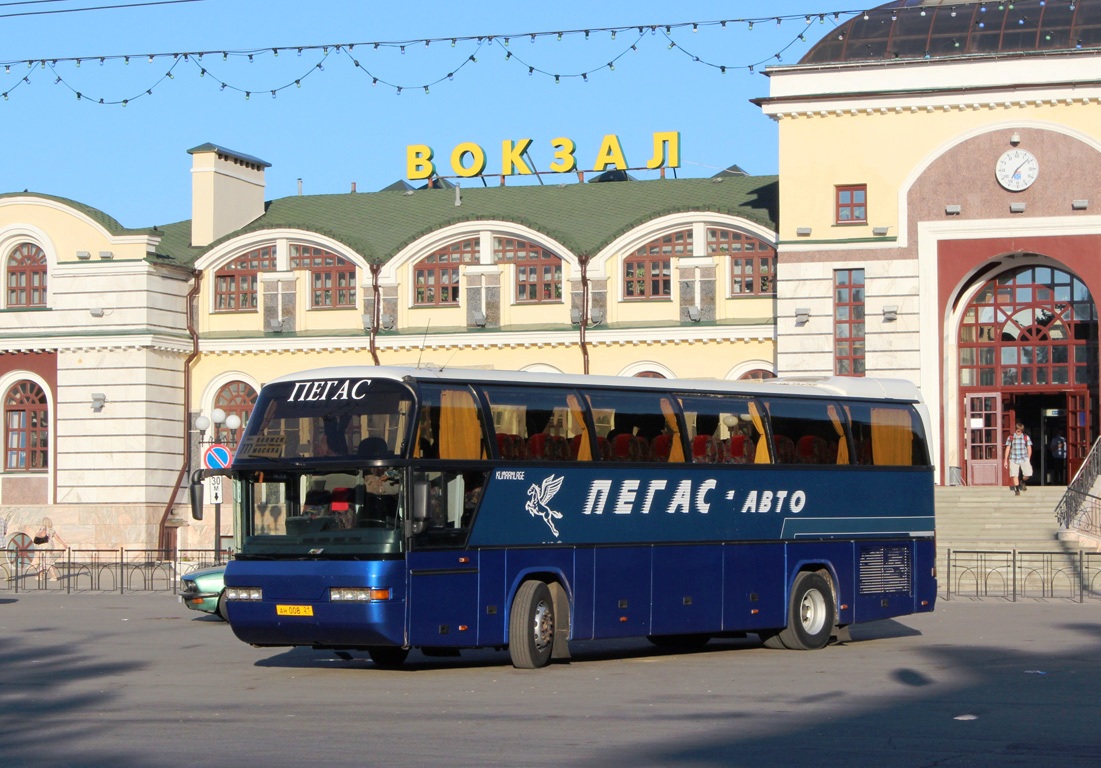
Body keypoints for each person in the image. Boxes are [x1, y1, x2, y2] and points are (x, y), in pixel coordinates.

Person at [1003, 422, 1033, 496]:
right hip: (1014, 458)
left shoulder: (1026, 437)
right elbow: (1008, 448)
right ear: (1015, 430)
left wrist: (1028, 458)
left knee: (1028, 473)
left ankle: (1022, 481)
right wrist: (1005, 460)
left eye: (1021, 431)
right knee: (1014, 474)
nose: (1019, 432)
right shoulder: (1011, 437)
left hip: (1024, 458)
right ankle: (1017, 489)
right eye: (1018, 431)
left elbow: (1029, 448)